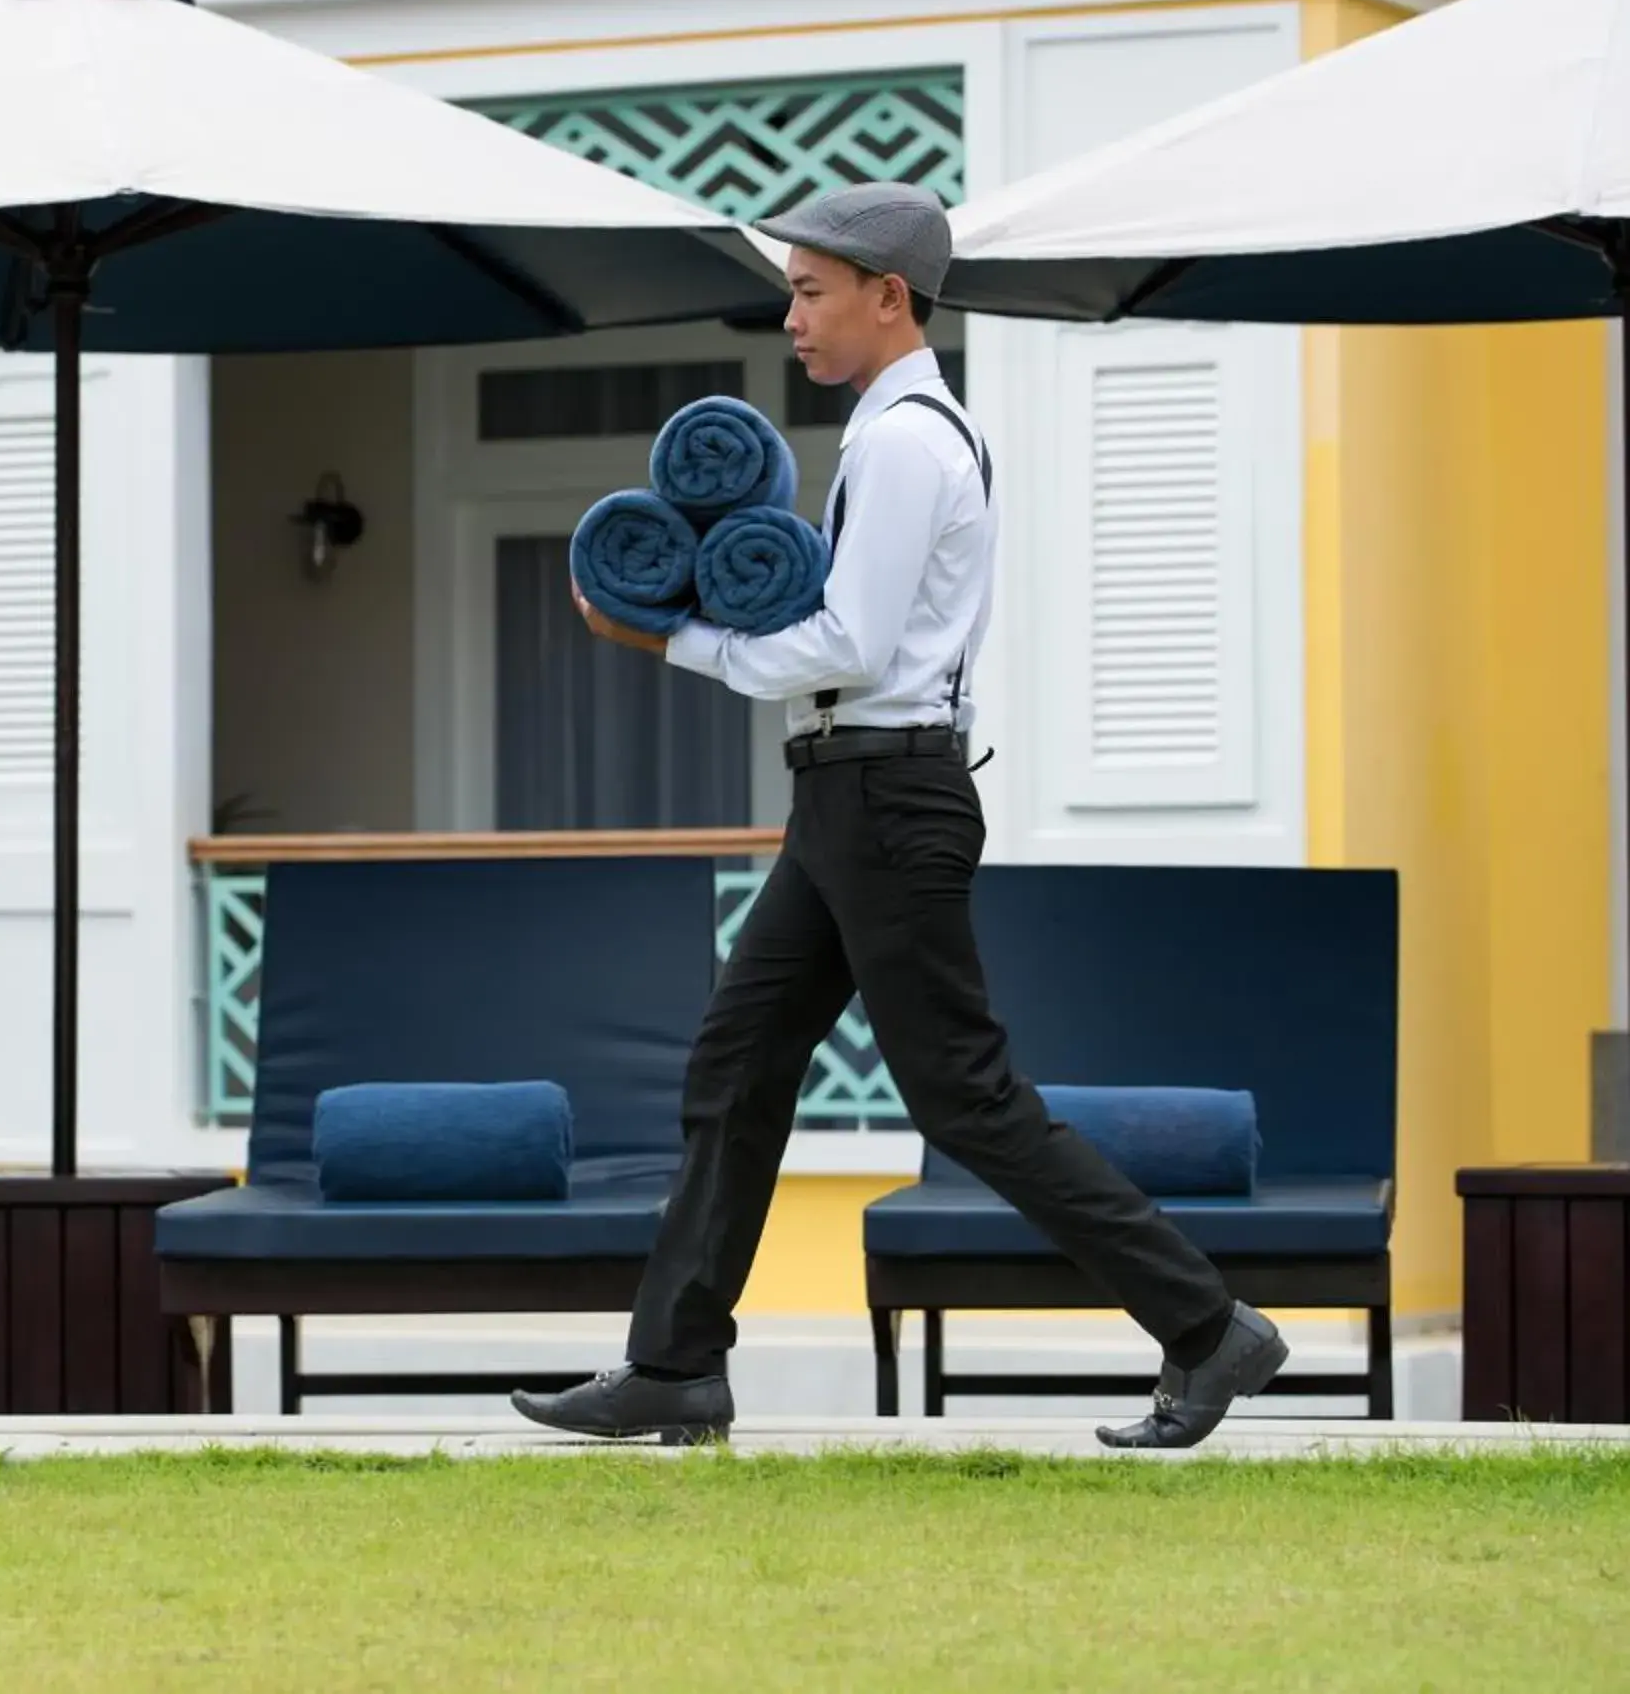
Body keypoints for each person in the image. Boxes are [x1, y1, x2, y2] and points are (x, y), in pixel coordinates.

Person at [511, 182, 1285, 1452]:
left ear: (889, 296)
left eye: (812, 292)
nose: (792, 318)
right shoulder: (897, 430)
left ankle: (1209, 1330)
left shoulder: (907, 442)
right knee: (738, 1062)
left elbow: (851, 644)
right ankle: (675, 1365)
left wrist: (671, 639)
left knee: (964, 1097)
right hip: (851, 794)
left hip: (883, 789)